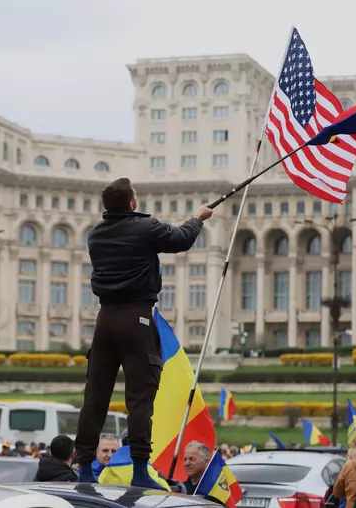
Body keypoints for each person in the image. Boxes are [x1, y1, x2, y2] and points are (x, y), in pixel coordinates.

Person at [75, 177, 213, 488]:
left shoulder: (95, 234)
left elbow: (146, 237)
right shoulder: (145, 227)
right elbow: (179, 240)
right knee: (139, 400)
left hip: (105, 320)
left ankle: (83, 468)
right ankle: (139, 471)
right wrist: (197, 218)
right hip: (136, 317)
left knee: (95, 398)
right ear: (132, 203)